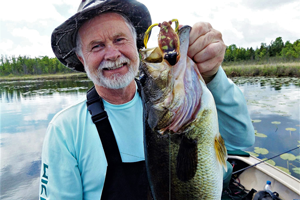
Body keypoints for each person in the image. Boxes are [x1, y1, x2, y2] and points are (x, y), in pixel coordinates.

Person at [39, 0, 255, 199]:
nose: (112, 54)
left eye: (119, 39)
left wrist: (213, 76)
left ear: (136, 44)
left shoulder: (182, 101)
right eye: (97, 46)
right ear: (81, 58)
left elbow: (241, 140)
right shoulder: (65, 130)